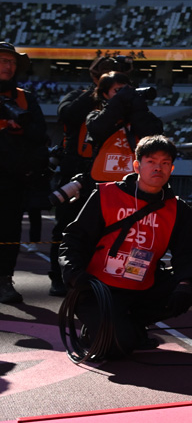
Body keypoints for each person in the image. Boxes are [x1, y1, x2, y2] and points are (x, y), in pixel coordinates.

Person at [58, 135, 192, 356]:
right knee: (116, 350)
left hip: (141, 286)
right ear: (137, 165)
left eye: (165, 163)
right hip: (97, 287)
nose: (158, 168)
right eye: (151, 162)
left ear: (171, 169)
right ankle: (104, 327)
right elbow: (74, 238)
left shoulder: (178, 209)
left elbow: (188, 253)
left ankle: (134, 321)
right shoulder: (106, 194)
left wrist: (185, 283)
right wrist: (74, 274)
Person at [48, 55, 122, 297]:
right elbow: (66, 114)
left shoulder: (126, 101)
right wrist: (95, 92)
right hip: (77, 168)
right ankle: (58, 276)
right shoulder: (79, 97)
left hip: (112, 172)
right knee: (66, 226)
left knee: (109, 229)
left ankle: (102, 276)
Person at [0, 42, 48, 305]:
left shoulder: (25, 98)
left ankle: (4, 280)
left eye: (12, 62)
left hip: (12, 180)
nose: (8, 66)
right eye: (3, 60)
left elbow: (40, 134)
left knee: (9, 232)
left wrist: (18, 127)